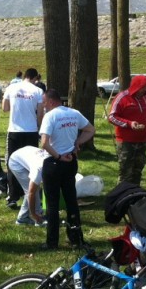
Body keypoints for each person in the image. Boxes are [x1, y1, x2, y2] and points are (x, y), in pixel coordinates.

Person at [39, 89, 95, 250]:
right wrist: (78, 142)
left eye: (44, 102)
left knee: (52, 204)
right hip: (71, 161)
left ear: (50, 101)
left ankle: (52, 242)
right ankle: (76, 238)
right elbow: (90, 129)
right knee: (71, 201)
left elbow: (44, 143)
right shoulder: (74, 113)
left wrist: (57, 156)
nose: (43, 105)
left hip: (54, 163)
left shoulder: (50, 116)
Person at [2, 67, 44, 210]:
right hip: (31, 131)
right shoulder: (38, 91)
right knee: (32, 164)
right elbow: (40, 114)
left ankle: (13, 196)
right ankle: (30, 193)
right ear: (34, 78)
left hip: (14, 130)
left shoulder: (12, 87)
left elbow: (5, 108)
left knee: (12, 163)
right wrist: (39, 128)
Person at [107, 74, 146, 185]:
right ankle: (122, 197)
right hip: (126, 142)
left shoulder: (145, 100)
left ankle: (135, 196)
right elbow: (112, 117)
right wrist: (129, 124)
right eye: (141, 87)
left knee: (137, 171)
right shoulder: (122, 97)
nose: (143, 90)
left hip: (142, 141)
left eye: (145, 88)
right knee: (126, 172)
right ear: (136, 86)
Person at [7, 144, 49, 226]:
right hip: (16, 162)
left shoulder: (52, 162)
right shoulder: (38, 169)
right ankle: (37, 219)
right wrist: (34, 214)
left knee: (36, 188)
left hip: (27, 153)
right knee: (32, 190)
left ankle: (24, 217)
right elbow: (31, 193)